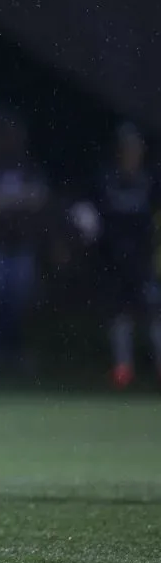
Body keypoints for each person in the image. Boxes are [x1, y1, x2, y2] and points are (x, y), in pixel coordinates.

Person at [94, 123, 160, 387]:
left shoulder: (151, 180)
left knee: (154, 311)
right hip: (115, 258)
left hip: (145, 257)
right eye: (126, 148)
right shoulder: (106, 181)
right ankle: (123, 369)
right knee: (120, 313)